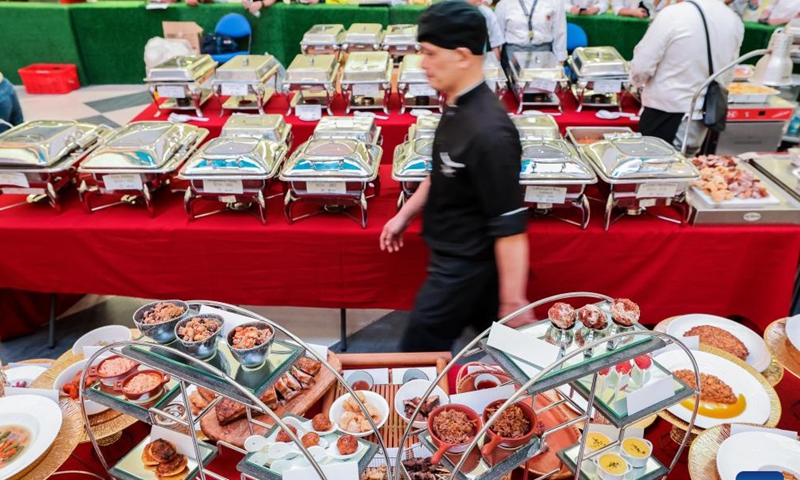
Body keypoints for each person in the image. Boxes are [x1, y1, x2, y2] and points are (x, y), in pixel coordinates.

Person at [379, 1, 533, 353]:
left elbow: (510, 227)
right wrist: (406, 214)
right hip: (461, 262)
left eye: (431, 53)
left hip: (463, 268)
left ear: (462, 56)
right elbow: (444, 169)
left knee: (416, 354)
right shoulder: (456, 104)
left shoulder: (491, 132)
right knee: (509, 356)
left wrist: (513, 302)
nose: (423, 63)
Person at [629, 0, 743, 152]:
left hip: (666, 110)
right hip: (704, 114)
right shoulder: (733, 20)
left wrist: (636, 84)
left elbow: (642, 66)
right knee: (687, 166)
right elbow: (728, 73)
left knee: (653, 168)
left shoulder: (673, 14)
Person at [495, 0, 568, 65]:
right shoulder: (504, 3)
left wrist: (560, 65)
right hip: (512, 55)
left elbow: (560, 33)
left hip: (543, 55)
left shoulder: (555, 2)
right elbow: (496, 41)